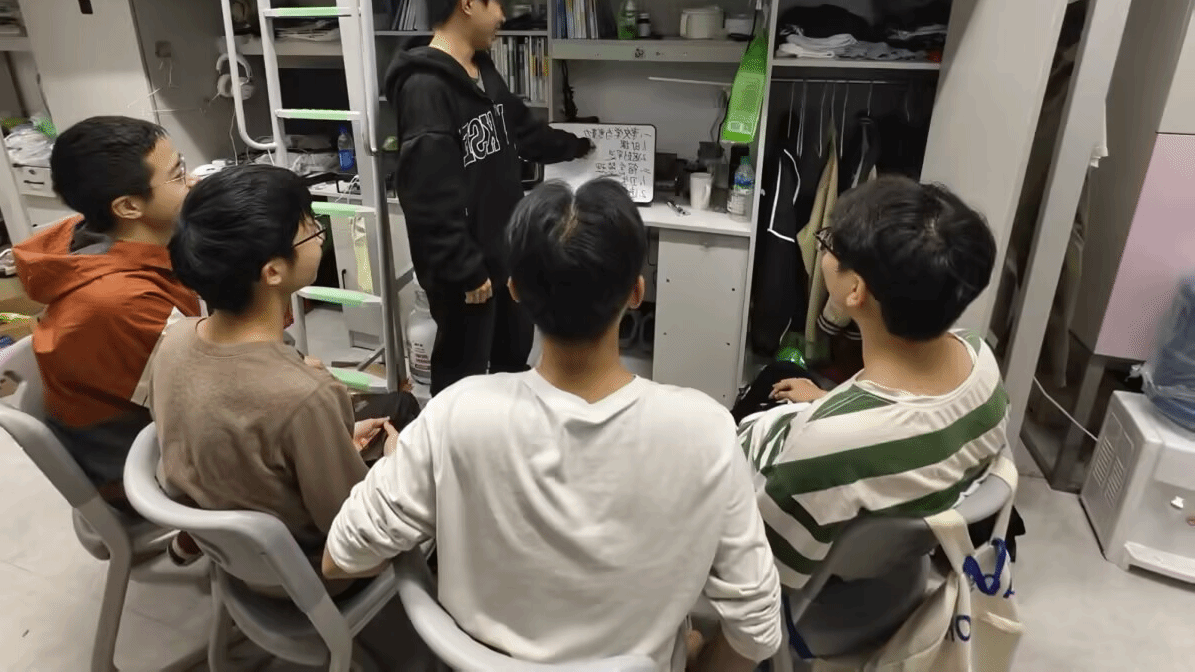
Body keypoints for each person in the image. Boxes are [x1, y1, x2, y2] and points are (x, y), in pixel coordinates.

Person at [324, 179, 782, 672]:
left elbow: (340, 557)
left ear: (515, 290)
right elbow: (757, 630)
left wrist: (410, 473)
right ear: (637, 292)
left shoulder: (456, 414)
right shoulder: (706, 433)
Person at [148, 164, 433, 670]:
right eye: (308, 228)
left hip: (232, 549)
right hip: (310, 572)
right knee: (431, 465)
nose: (318, 236)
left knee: (397, 405)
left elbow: (227, 427)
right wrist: (394, 467)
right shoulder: (305, 395)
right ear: (273, 272)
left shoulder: (174, 339)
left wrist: (331, 436)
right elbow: (349, 527)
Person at [737, 175, 1010, 590]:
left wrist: (823, 418)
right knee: (781, 375)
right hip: (896, 559)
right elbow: (903, 426)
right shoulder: (981, 359)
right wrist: (827, 400)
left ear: (855, 289)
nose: (822, 250)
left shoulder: (819, 451)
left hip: (811, 568)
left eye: (829, 242)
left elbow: (763, 575)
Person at [385, 0, 594, 394]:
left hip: (503, 253)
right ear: (468, 2)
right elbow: (426, 197)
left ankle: (504, 431)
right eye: (497, 2)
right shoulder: (424, 88)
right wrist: (466, 269)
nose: (502, 15)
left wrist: (577, 146)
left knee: (511, 357)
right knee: (462, 374)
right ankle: (456, 438)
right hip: (465, 270)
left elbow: (521, 129)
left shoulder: (482, 69)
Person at [13, 116, 199, 507]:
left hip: (152, 423)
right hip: (139, 466)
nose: (193, 181)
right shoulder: (120, 301)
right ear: (128, 206)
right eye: (178, 174)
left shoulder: (107, 238)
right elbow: (213, 396)